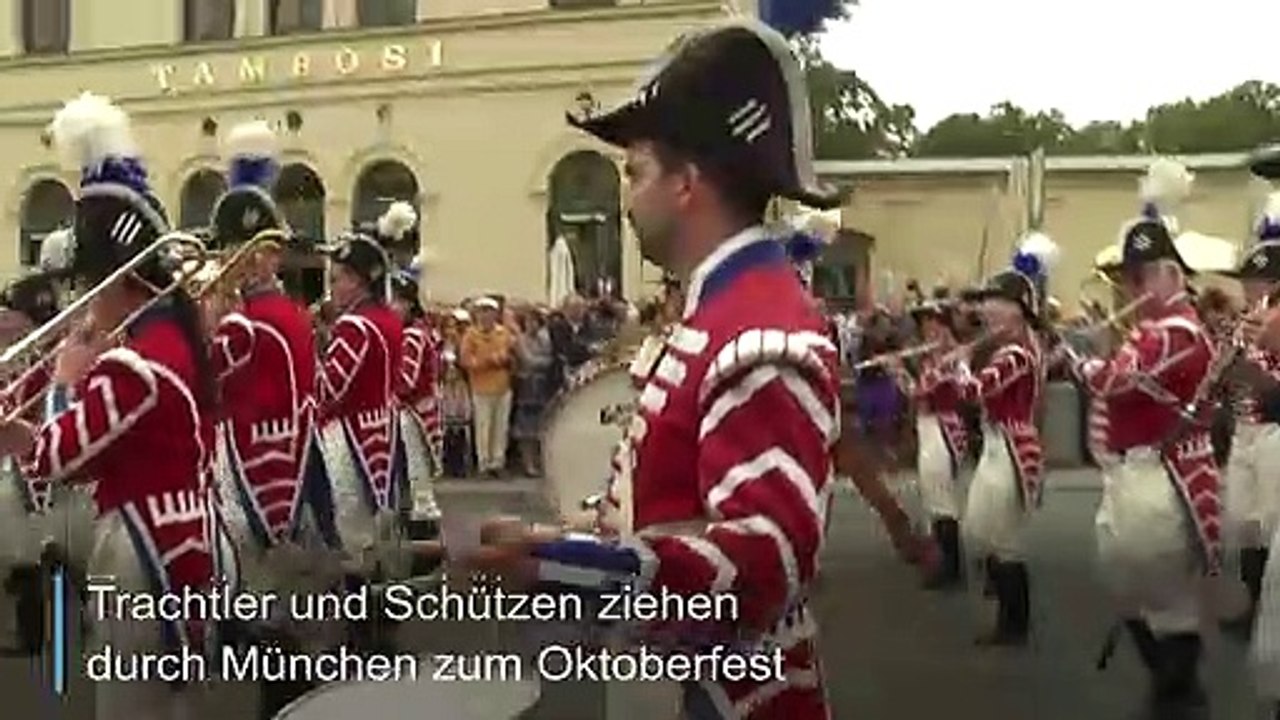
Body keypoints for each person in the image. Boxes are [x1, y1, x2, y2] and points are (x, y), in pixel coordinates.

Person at [467, 20, 846, 718]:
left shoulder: (758, 332)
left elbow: (764, 564)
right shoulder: (722, 311)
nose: (626, 195)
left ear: (687, 183)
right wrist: (558, 541)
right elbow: (673, 518)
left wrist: (562, 567)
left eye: (635, 171)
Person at [0, 92, 229, 720]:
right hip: (178, 537)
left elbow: (56, 457)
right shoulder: (170, 342)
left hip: (140, 550)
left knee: (129, 709)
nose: (81, 297)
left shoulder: (135, 362)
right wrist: (15, 433)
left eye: (86, 280)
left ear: (119, 277)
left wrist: (63, 384)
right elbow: (98, 449)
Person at [1065, 158, 1217, 717]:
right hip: (1127, 471)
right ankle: (1170, 685)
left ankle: (1180, 695)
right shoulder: (1146, 331)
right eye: (1128, 277)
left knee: (1163, 585)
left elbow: (1121, 381)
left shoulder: (1181, 332)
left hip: (1163, 471)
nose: (1131, 287)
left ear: (1173, 275)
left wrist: (1082, 360)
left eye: (1143, 275)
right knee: (1122, 576)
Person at [202, 120, 333, 718]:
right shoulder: (290, 313)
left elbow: (197, 385)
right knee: (292, 623)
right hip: (293, 470)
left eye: (241, 253)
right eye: (232, 252)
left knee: (273, 625)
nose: (231, 263)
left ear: (267, 257)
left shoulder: (244, 322)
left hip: (259, 477)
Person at [924, 232, 1058, 647]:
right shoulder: (1016, 346)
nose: (987, 312)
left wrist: (961, 365)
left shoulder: (1016, 352)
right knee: (983, 532)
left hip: (1012, 447)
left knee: (1001, 538)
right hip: (1002, 443)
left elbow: (975, 393)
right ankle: (1005, 605)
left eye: (995, 304)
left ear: (1018, 310)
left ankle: (1014, 622)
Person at [316, 211, 406, 618]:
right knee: (374, 529)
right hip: (383, 429)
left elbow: (330, 390)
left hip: (350, 437)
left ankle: (358, 626)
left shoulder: (354, 327)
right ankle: (376, 616)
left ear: (357, 281)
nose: (331, 287)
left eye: (337, 279)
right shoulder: (387, 320)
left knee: (348, 529)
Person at [1219, 202, 1280, 637]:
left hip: (1274, 429)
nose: (1249, 289)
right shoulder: (1245, 325)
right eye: (1246, 281)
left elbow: (1271, 384)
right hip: (1242, 429)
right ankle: (1250, 601)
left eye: (1257, 281)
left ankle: (1266, 608)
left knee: (1269, 518)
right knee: (1241, 519)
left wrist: (1249, 367)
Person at [903, 297, 969, 589]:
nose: (928, 332)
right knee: (932, 496)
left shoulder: (954, 358)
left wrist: (900, 374)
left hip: (944, 427)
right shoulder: (933, 357)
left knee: (942, 498)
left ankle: (952, 567)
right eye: (925, 326)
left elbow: (922, 391)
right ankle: (943, 562)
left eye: (933, 324)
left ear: (944, 326)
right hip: (929, 427)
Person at [391, 248, 447, 571]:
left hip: (413, 417)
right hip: (416, 413)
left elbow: (407, 380)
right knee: (414, 484)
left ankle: (426, 557)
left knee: (418, 483)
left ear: (408, 303)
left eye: (396, 301)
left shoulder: (412, 335)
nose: (391, 307)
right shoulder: (416, 332)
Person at [459, 296, 515, 477]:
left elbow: (509, 354)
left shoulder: (503, 333)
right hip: (481, 387)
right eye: (482, 312)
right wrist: (489, 360)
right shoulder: (470, 335)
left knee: (501, 426)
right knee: (484, 426)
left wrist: (504, 359)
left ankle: (498, 462)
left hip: (503, 386)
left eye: (489, 312)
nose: (486, 316)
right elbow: (466, 361)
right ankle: (483, 463)